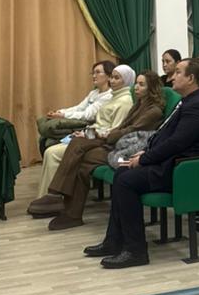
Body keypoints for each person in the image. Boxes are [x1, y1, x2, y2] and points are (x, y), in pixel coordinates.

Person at [83, 59, 199, 269]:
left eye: (178, 72)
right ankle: (114, 241)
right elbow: (166, 136)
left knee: (126, 181)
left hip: (181, 169)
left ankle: (136, 251)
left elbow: (177, 143)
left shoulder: (198, 106)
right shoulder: (189, 101)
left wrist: (145, 159)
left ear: (191, 78)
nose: (173, 77)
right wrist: (146, 152)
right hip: (169, 162)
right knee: (122, 173)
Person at [28, 70, 162, 227]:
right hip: (114, 141)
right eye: (136, 83)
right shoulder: (139, 105)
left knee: (81, 156)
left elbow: (129, 131)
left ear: (151, 88)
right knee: (78, 145)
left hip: (125, 151)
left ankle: (65, 206)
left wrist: (103, 135)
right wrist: (98, 133)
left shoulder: (153, 111)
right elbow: (121, 127)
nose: (136, 87)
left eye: (141, 84)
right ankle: (65, 206)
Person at [34, 65, 136, 197]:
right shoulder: (113, 97)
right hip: (91, 135)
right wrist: (65, 116)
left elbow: (114, 132)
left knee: (52, 153)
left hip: (101, 143)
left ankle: (52, 198)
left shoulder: (124, 102)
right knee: (49, 149)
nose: (112, 81)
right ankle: (47, 197)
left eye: (117, 78)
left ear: (126, 80)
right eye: (112, 77)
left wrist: (87, 134)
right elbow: (84, 112)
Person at [35, 61, 115, 155]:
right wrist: (59, 112)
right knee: (43, 138)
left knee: (50, 142)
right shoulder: (94, 92)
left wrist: (63, 115)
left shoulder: (109, 95)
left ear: (109, 76)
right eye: (93, 73)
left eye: (97, 72)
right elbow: (79, 108)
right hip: (80, 122)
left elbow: (88, 116)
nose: (94, 76)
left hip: (90, 127)